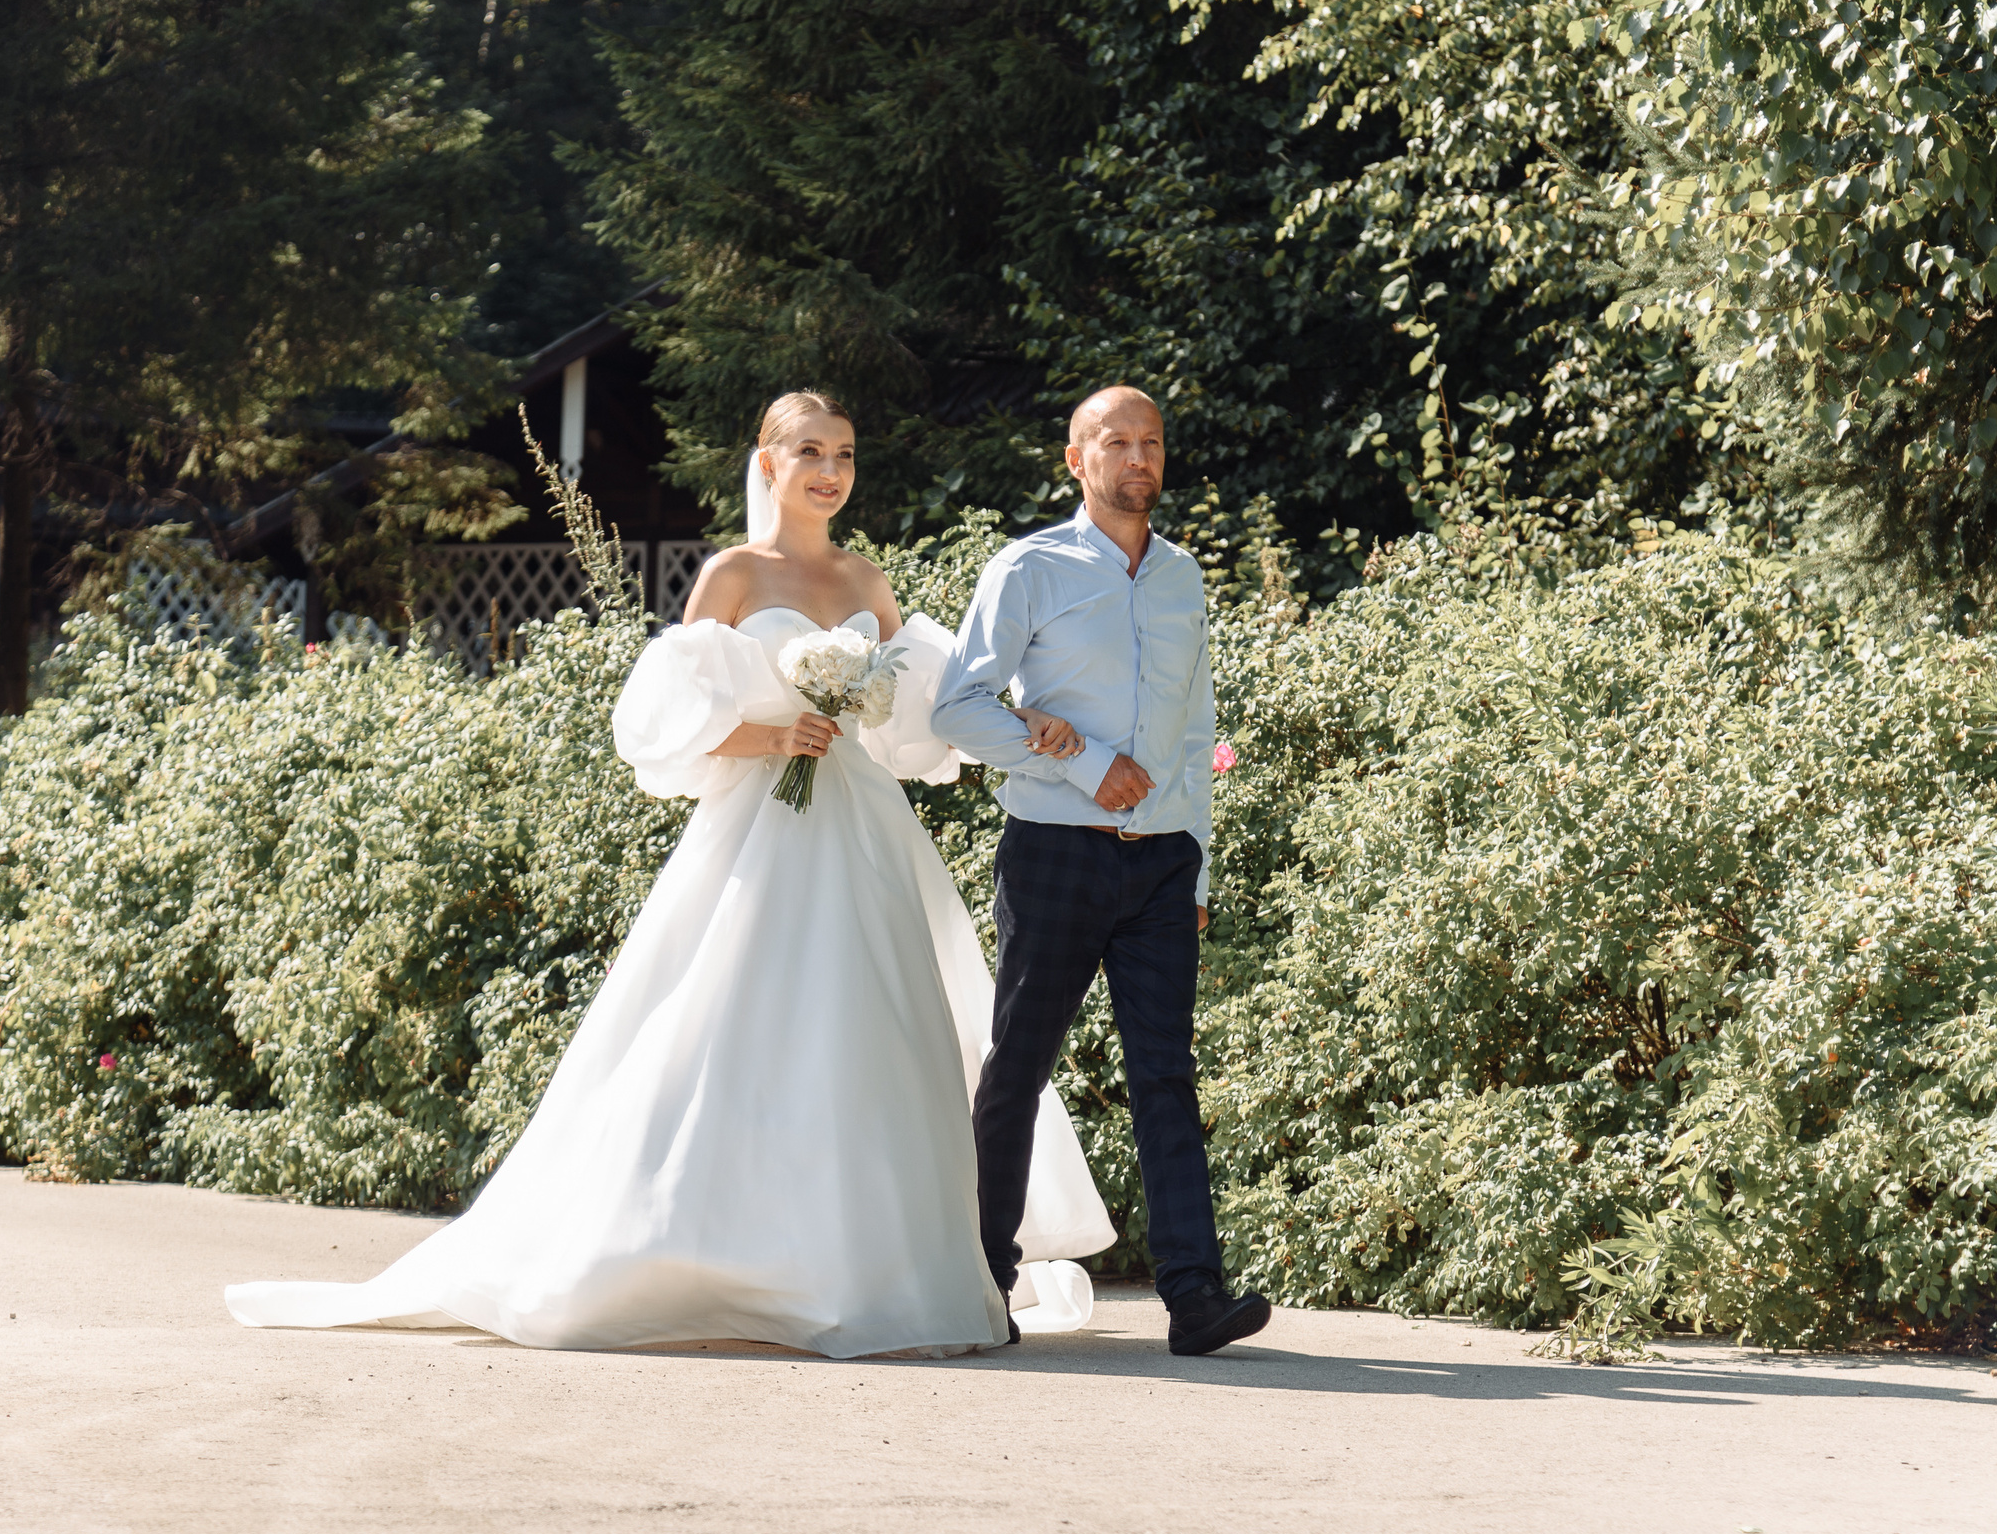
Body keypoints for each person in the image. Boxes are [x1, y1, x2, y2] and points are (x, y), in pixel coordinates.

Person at [225, 391, 1115, 1357]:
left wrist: (1022, 720)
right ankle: (697, 1252)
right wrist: (774, 734)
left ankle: (876, 1271)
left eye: (845, 454)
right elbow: (671, 718)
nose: (831, 471)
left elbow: (921, 712)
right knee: (727, 1023)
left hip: (863, 825)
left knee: (880, 1027)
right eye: (810, 452)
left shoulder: (867, 577)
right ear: (769, 464)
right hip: (762, 825)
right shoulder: (733, 574)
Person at [931, 385, 1272, 1357]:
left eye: (1150, 441)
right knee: (1018, 1069)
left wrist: (1196, 871)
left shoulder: (1182, 576)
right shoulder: (1028, 568)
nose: (1137, 457)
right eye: (1114, 441)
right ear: (1076, 460)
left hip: (1162, 865)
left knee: (1166, 1074)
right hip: (1055, 852)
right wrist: (1082, 762)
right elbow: (958, 707)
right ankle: (983, 1287)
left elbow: (1196, 729)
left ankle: (1194, 1297)